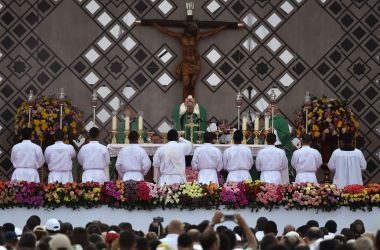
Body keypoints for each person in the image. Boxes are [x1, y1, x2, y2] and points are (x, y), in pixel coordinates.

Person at [150, 22, 227, 99]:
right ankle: (184, 104)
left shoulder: (196, 37)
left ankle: (192, 104)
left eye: (193, 28)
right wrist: (154, 24)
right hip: (186, 64)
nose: (193, 29)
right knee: (186, 84)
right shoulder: (180, 36)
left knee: (192, 85)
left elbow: (211, 33)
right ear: (187, 28)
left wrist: (223, 27)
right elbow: (167, 32)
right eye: (191, 27)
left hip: (196, 63)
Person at [267, 104, 293, 182]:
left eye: (269, 109)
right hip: (269, 146)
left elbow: (286, 134)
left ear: (276, 110)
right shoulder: (268, 120)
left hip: (280, 147)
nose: (268, 111)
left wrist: (274, 131)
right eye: (268, 109)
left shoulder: (282, 120)